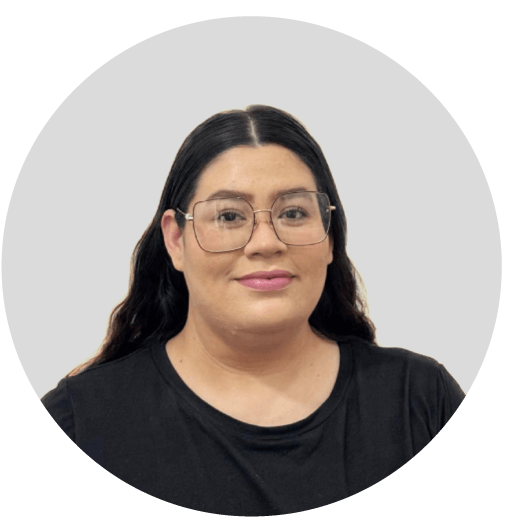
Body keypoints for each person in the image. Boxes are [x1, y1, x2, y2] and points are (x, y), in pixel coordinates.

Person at [41, 105, 465, 515]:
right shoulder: (81, 423)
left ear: (330, 238)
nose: (266, 243)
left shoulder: (420, 402)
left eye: (294, 212)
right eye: (229, 216)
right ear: (176, 240)